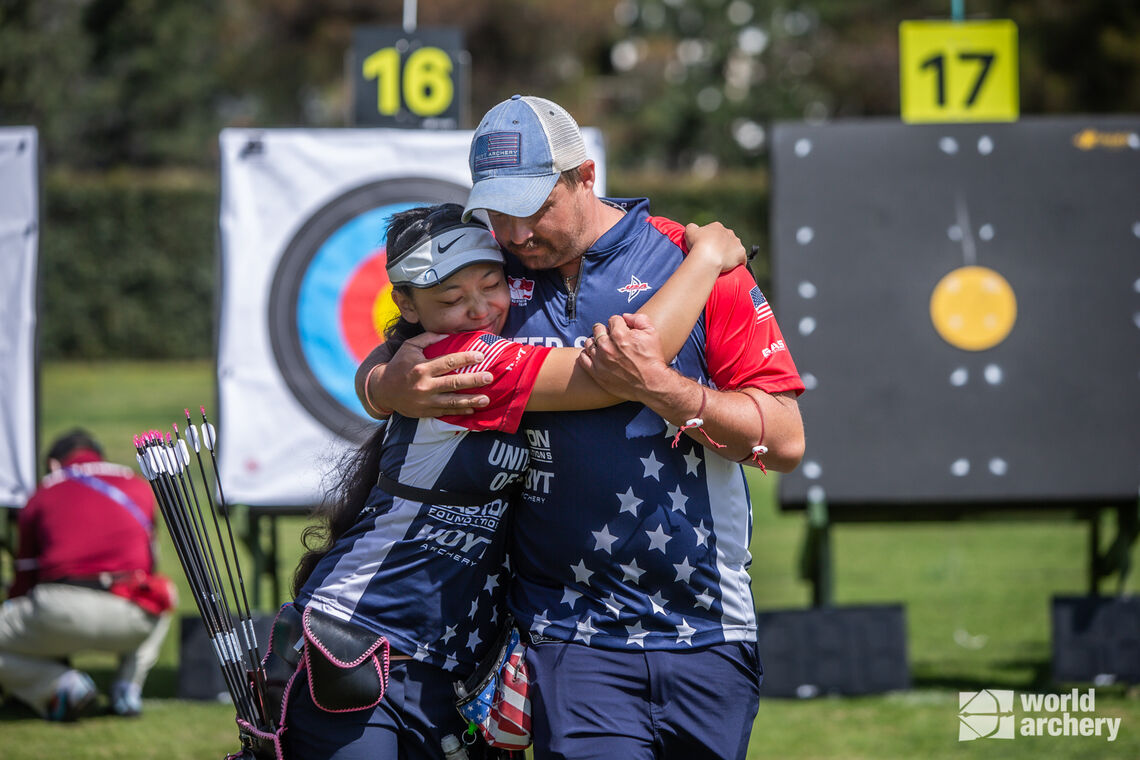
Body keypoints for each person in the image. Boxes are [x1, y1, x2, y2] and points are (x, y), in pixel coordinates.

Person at [357, 95, 806, 760]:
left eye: (534, 205)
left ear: (586, 177)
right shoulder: (493, 281)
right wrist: (381, 383)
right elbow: (413, 336)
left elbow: (785, 439)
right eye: (497, 210)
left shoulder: (690, 259)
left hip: (708, 627)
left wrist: (672, 391)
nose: (513, 232)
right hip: (567, 637)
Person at [270, 203, 746, 760]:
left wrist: (375, 382)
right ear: (406, 305)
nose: (477, 310)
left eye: (492, 285)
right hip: (365, 638)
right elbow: (611, 375)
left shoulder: (467, 344)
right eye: (449, 300)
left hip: (451, 666)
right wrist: (708, 259)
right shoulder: (456, 358)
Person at [0, 429, 175, 721]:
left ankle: (62, 685)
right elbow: (149, 568)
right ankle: (126, 689)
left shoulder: (44, 491)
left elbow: (24, 579)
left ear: (55, 464)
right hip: (130, 617)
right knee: (162, 594)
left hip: (58, 612)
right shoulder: (138, 485)